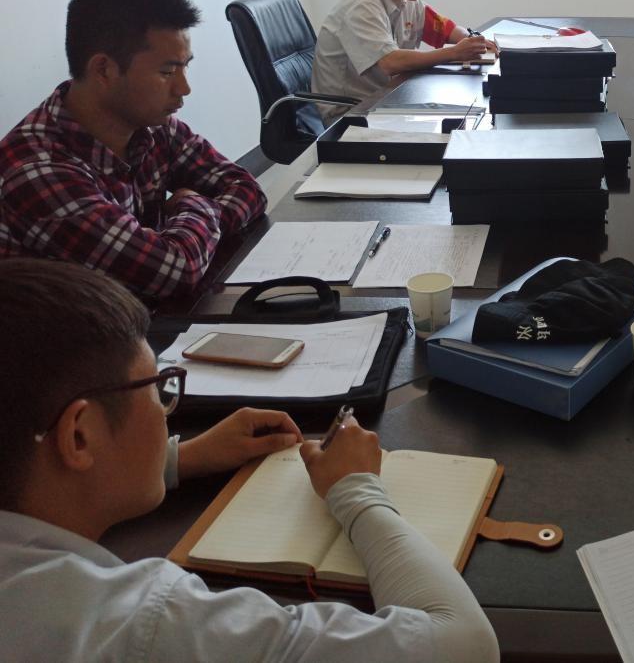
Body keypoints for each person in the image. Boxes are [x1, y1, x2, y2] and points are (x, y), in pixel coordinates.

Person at [0, 258, 500, 663]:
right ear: (80, 436)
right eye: (157, 389)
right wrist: (356, 492)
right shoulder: (134, 626)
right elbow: (462, 645)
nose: (165, 406)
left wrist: (178, 459)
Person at [0, 0, 267, 299]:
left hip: (138, 315)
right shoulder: (37, 170)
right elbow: (176, 271)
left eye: (185, 67)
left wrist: (193, 229)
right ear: (104, 69)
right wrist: (195, 206)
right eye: (167, 71)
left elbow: (246, 188)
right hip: (66, 331)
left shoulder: (154, 126)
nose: (184, 88)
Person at [312, 0, 495, 117]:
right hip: (349, 113)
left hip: (386, 98)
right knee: (452, 122)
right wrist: (454, 52)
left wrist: (472, 40)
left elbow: (447, 30)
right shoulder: (361, 4)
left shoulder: (407, 1)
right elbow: (391, 62)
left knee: (463, 112)